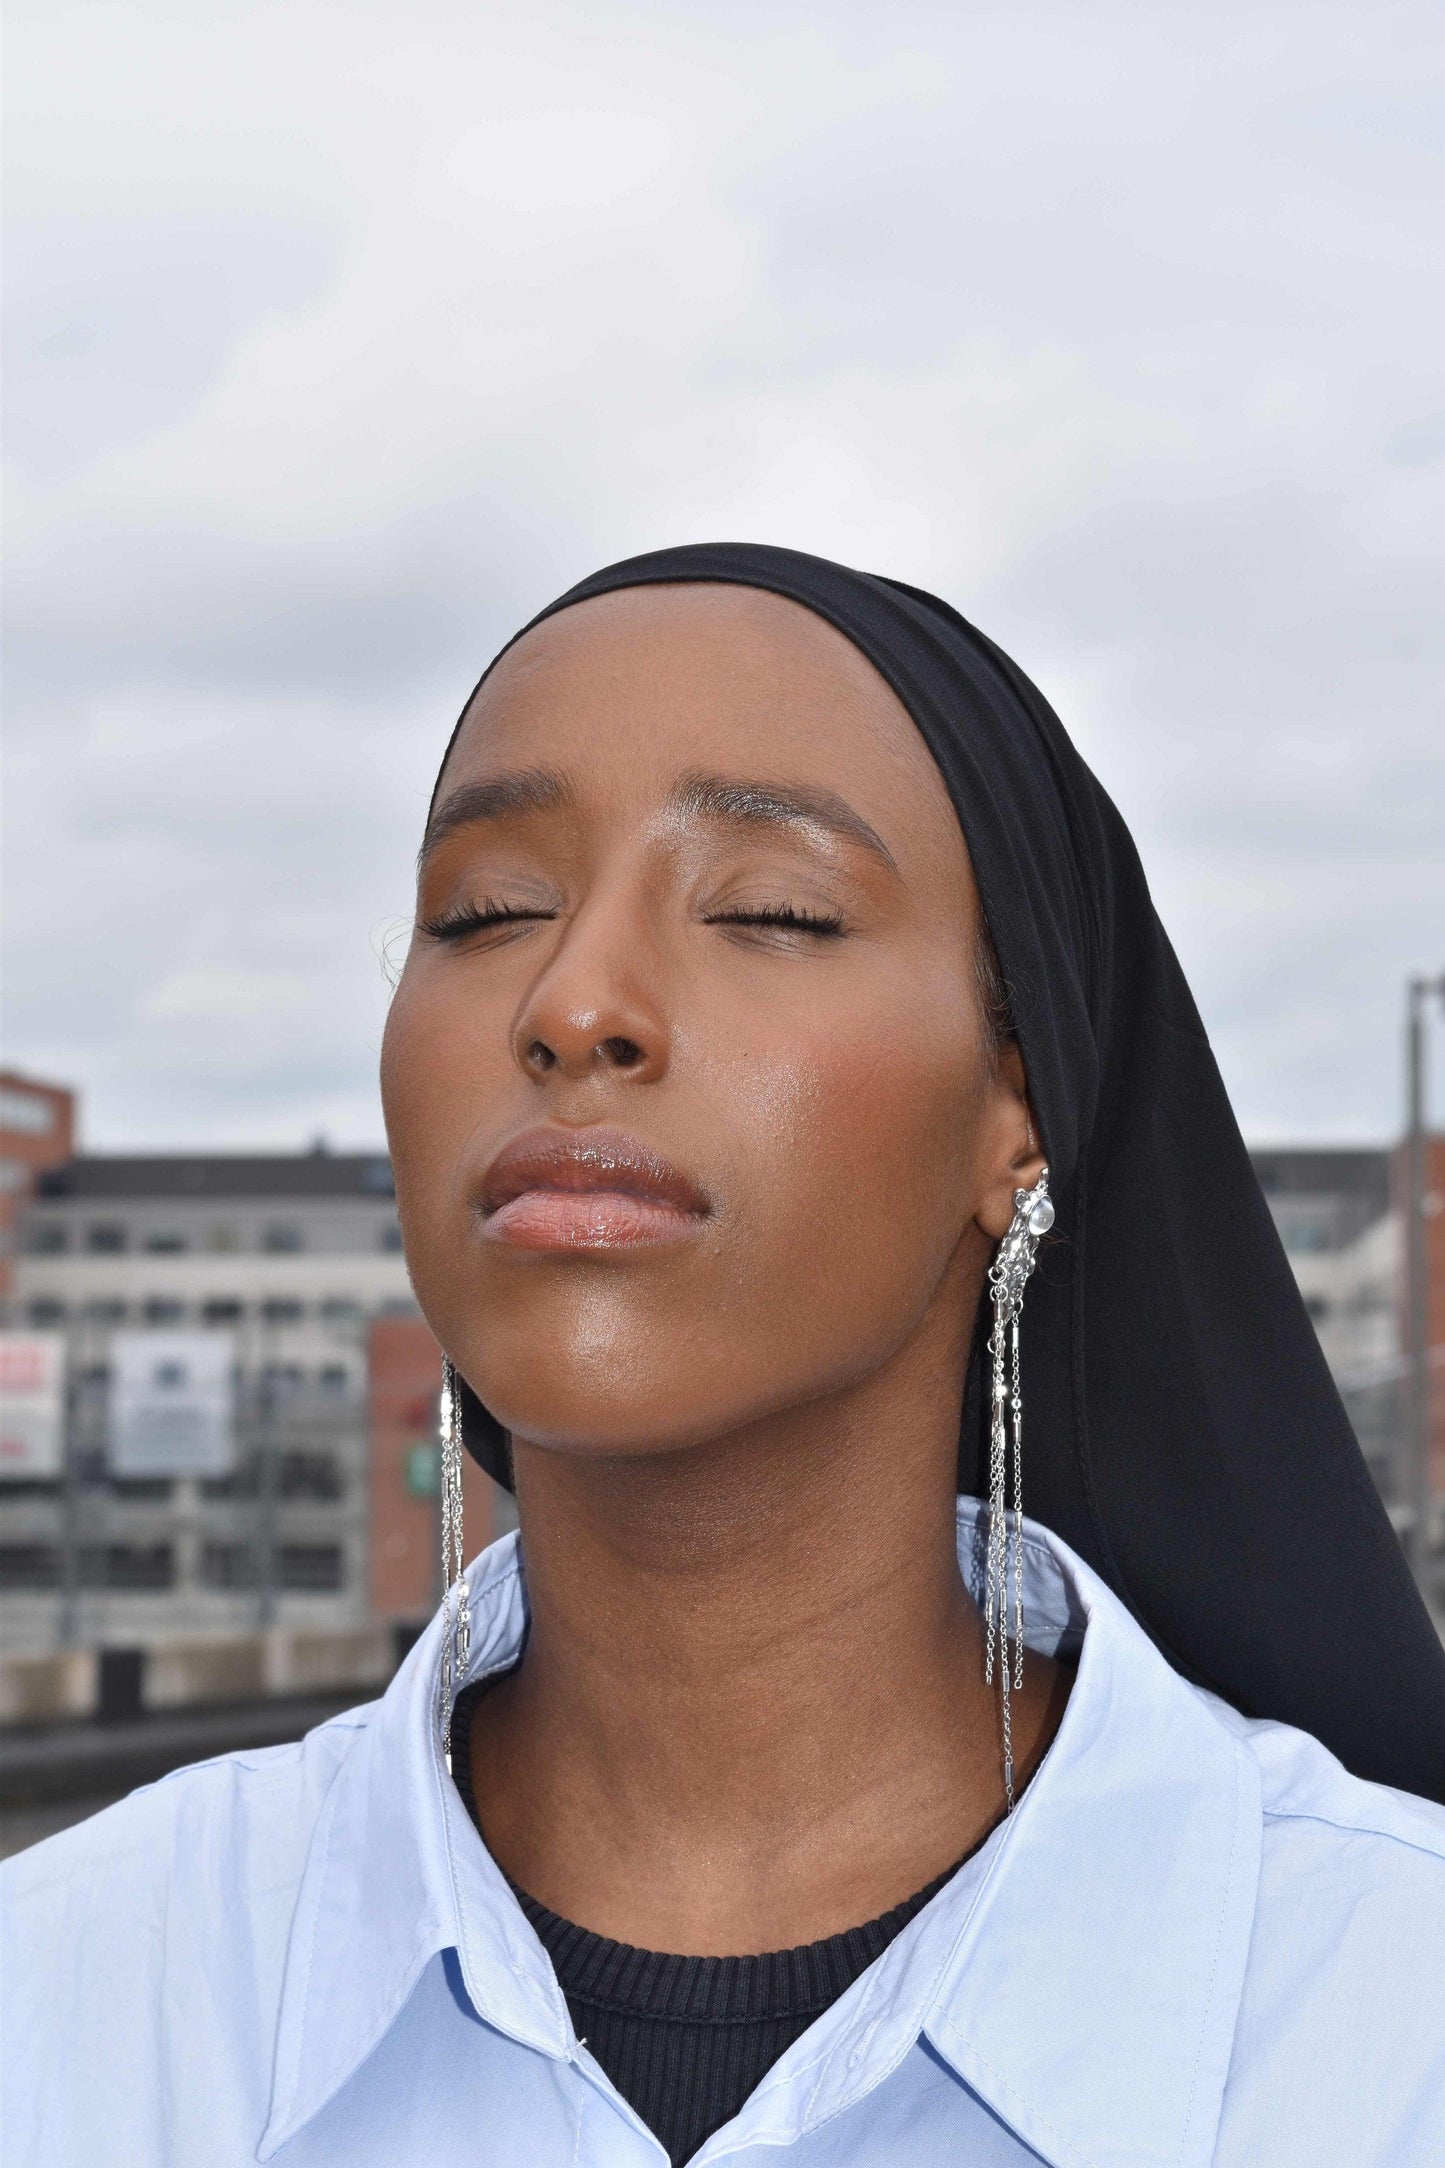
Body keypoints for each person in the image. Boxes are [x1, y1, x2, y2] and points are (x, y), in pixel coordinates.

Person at [4, 543, 1444, 2167]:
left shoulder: (1390, 2027)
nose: (574, 1002)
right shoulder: (62, 1999)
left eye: (771, 909)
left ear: (1017, 1113)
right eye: (488, 912)